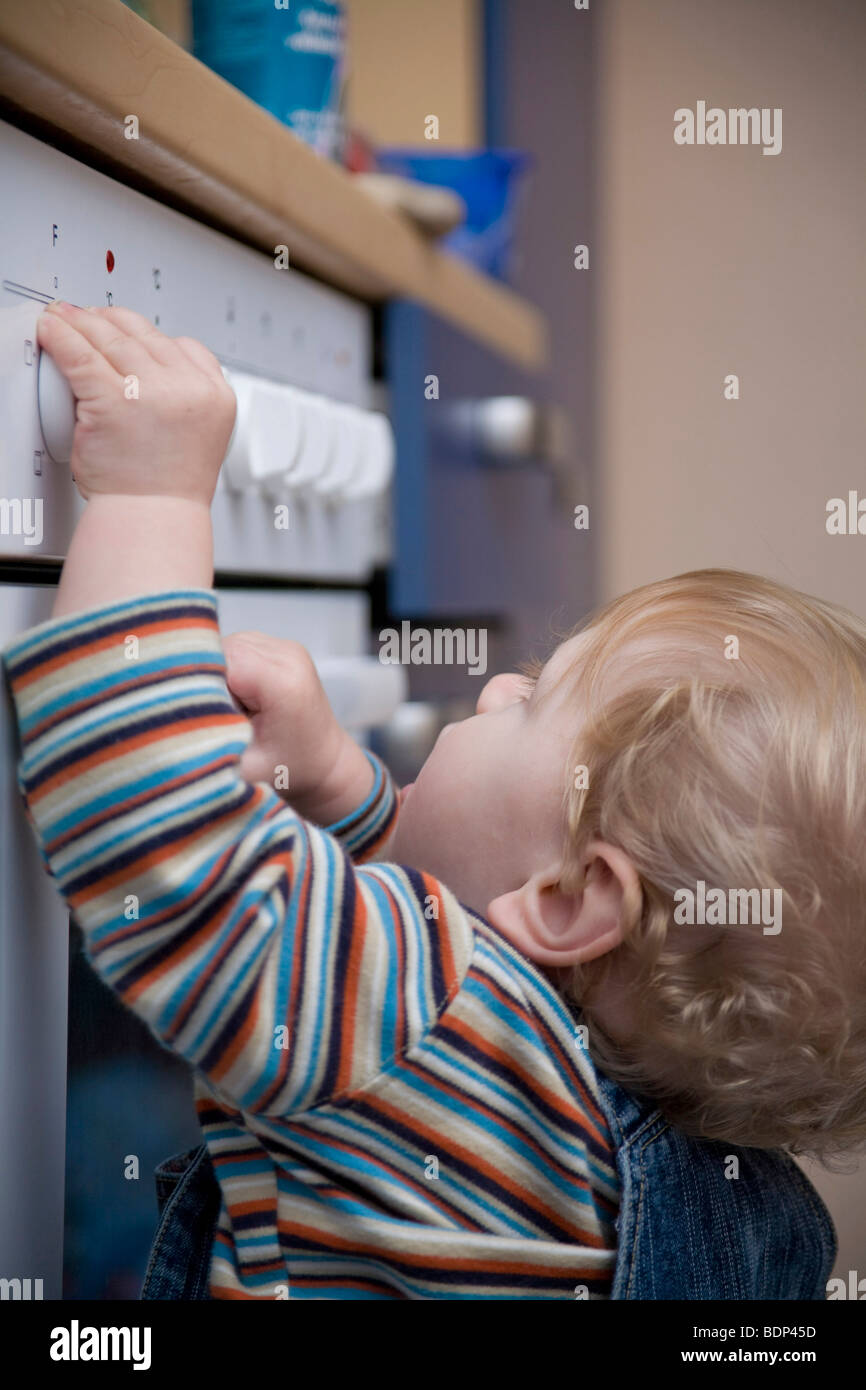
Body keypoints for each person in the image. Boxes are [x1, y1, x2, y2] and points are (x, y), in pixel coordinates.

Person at [4, 301, 851, 1299]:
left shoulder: (421, 1018)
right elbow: (465, 928)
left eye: (533, 700)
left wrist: (152, 496)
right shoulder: (714, 1195)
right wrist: (346, 788)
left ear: (570, 901)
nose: (496, 687)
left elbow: (168, 851)